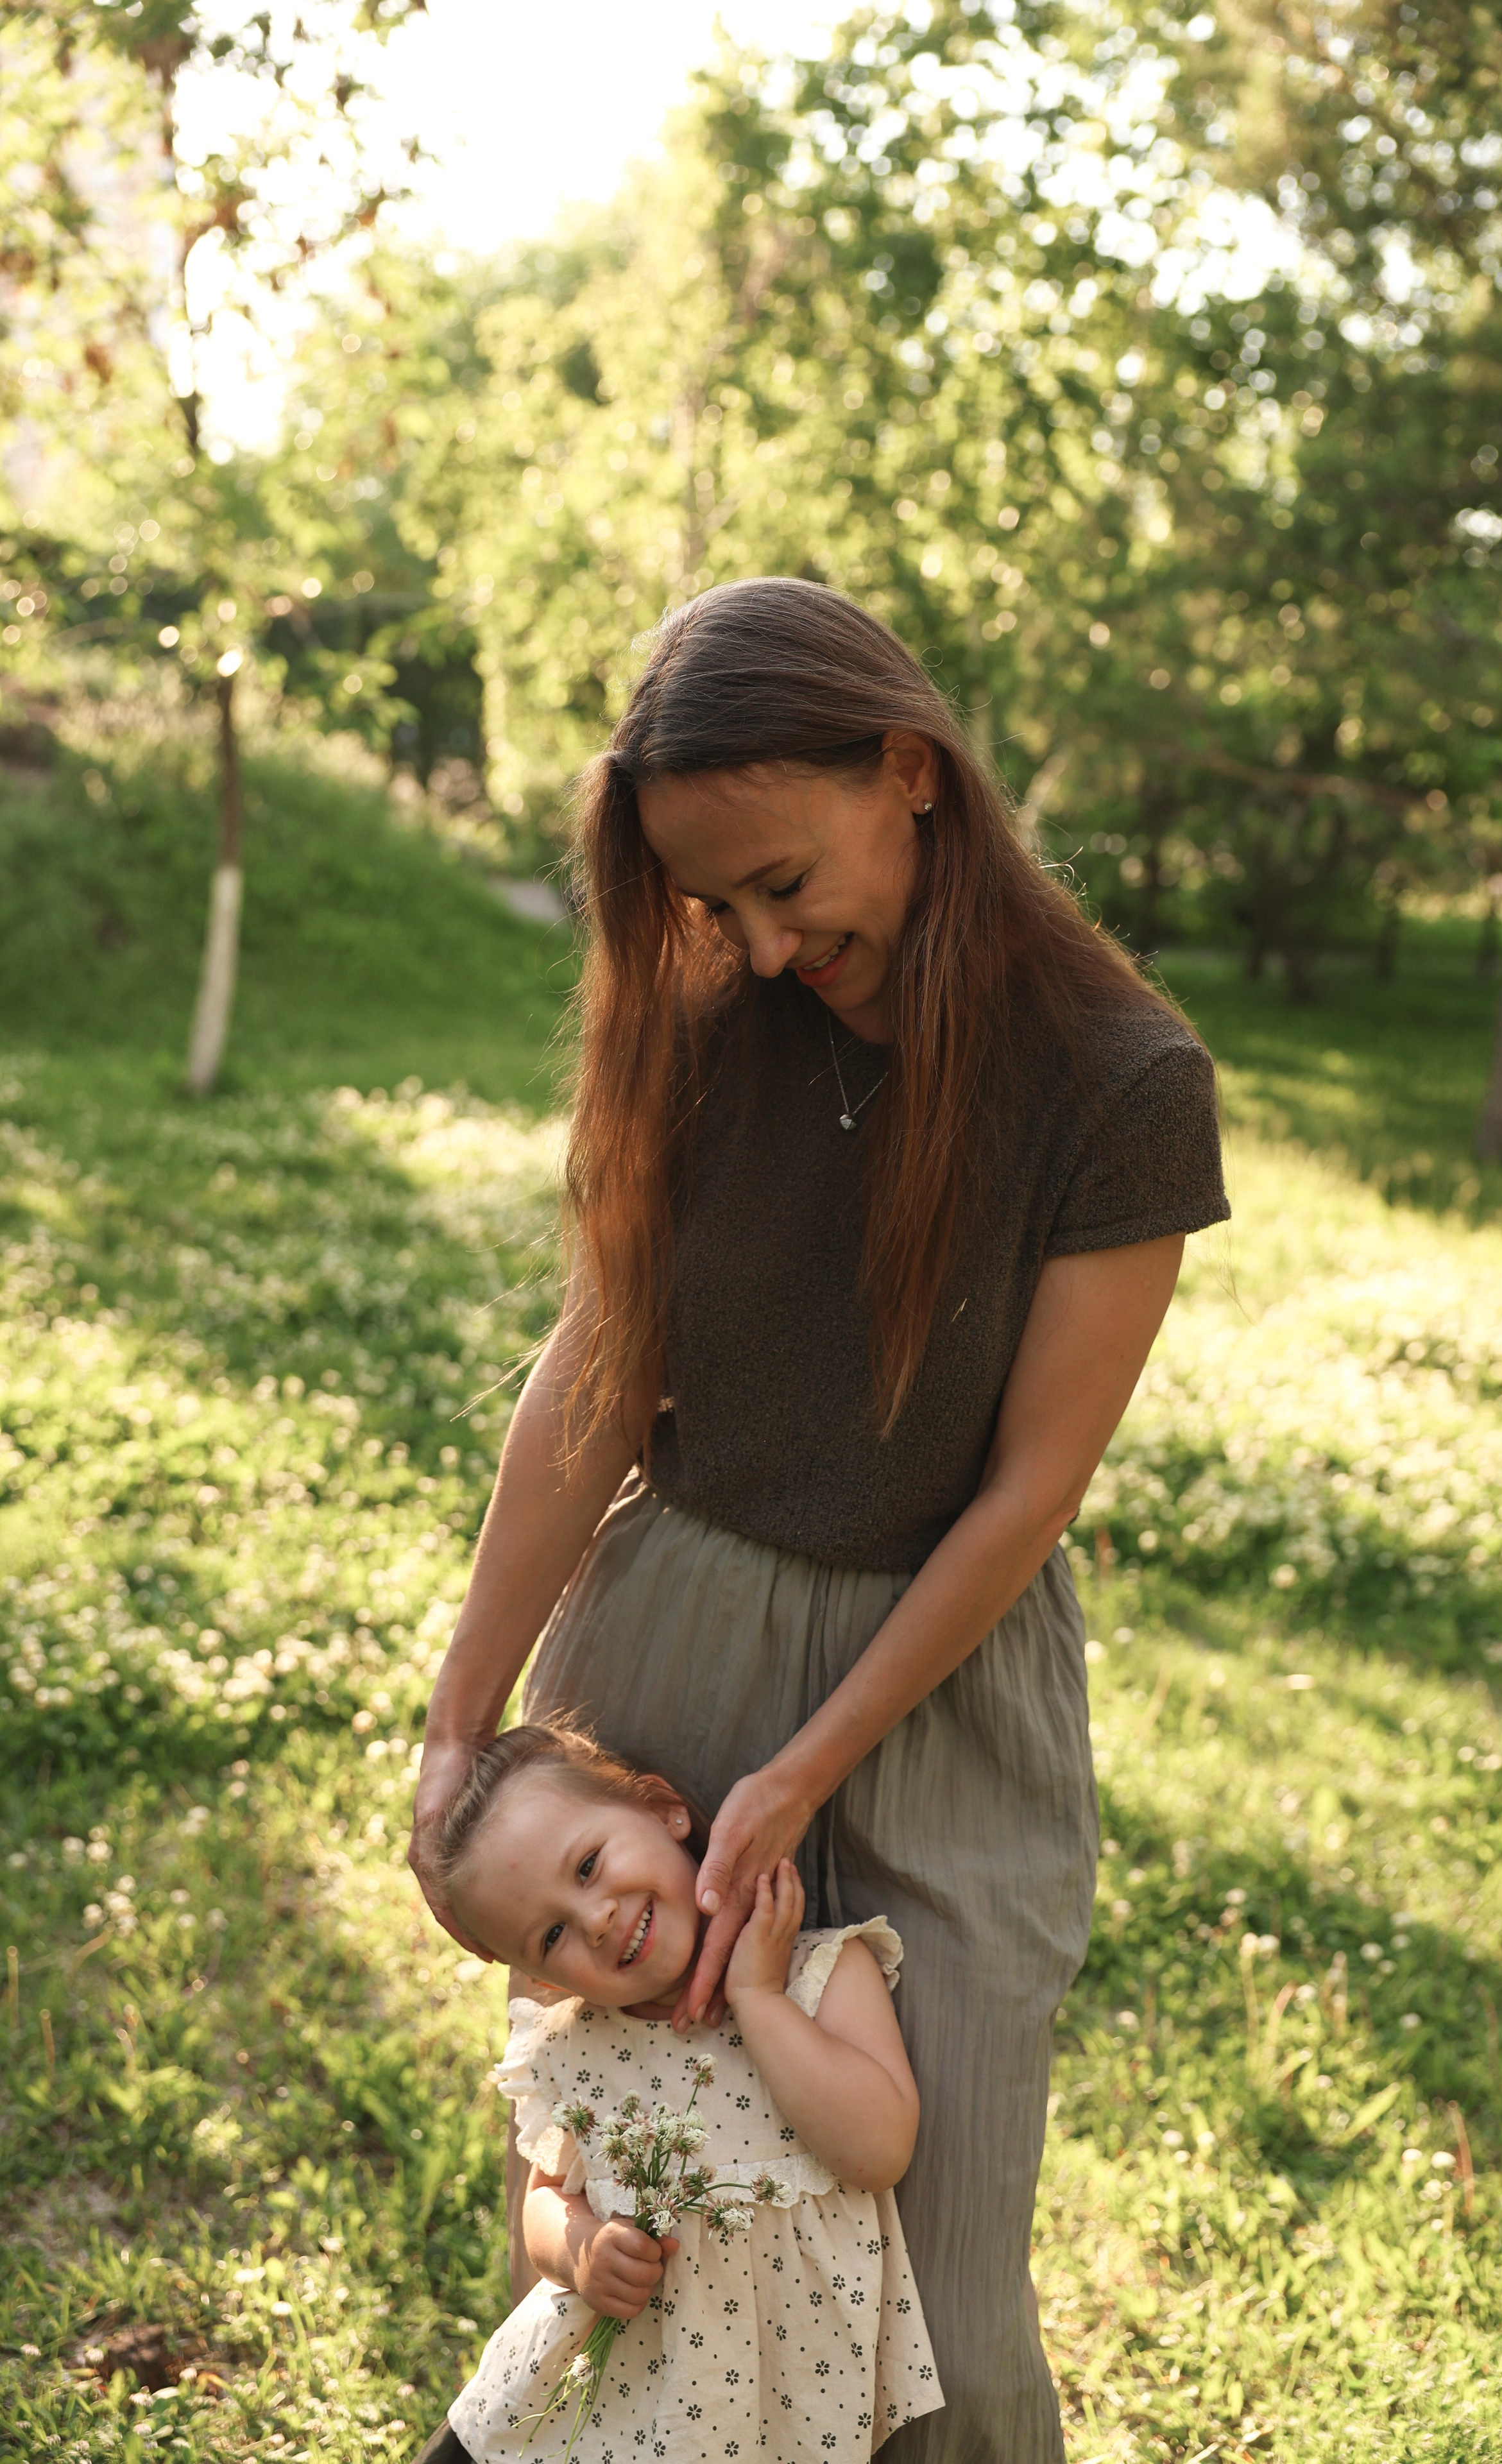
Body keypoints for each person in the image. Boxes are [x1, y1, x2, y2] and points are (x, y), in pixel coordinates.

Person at [409, 576, 1229, 2461]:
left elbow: (1028, 1489)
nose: (765, 946)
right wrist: (465, 1719)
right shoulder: (711, 1021)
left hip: (941, 1686)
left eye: (785, 883)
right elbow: (597, 1373)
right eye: (716, 906)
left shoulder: (1120, 1082)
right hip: (674, 1643)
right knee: (647, 2207)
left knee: (940, 2275)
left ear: (908, 773)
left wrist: (805, 1770)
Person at [416, 1715, 941, 2463]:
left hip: (780, 2399)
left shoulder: (817, 1977)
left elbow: (879, 2150)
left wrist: (757, 1998)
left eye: (589, 1865)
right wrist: (580, 2253)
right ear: (541, 1979)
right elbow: (543, 2197)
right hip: (609, 2395)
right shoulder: (574, 2045)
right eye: (552, 1937)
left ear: (665, 1809)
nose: (595, 1920)